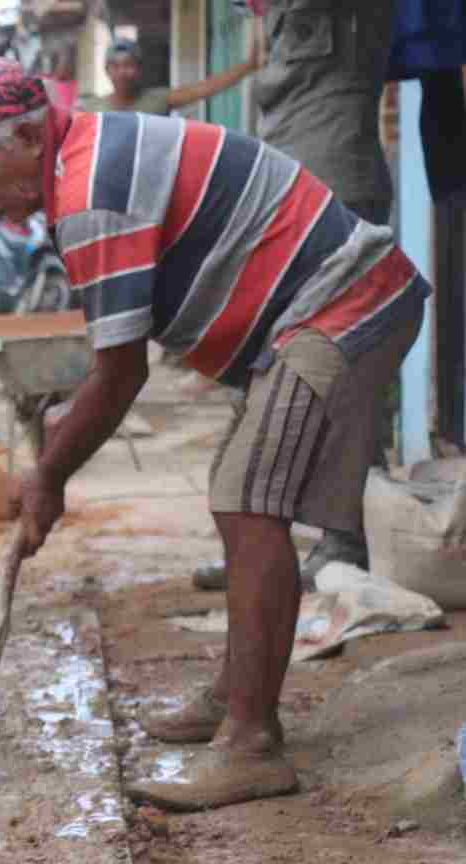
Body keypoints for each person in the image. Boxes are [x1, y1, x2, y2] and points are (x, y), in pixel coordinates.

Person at [0, 58, 429, 810]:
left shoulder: (91, 191)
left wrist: (48, 476)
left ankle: (253, 746)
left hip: (340, 304)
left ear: (26, 134)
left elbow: (119, 375)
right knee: (241, 493)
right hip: (314, 311)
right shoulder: (84, 159)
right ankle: (234, 695)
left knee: (249, 503)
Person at [192, 0, 400, 592]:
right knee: (272, 372)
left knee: (339, 371)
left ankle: (347, 538)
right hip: (290, 199)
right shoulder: (281, 18)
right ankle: (264, 544)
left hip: (336, 200)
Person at [79, 37, 261, 115]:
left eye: (128, 65)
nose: (122, 72)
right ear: (107, 71)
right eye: (115, 66)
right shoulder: (92, 110)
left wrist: (248, 66)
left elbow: (204, 89)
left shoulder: (157, 100)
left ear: (139, 69)